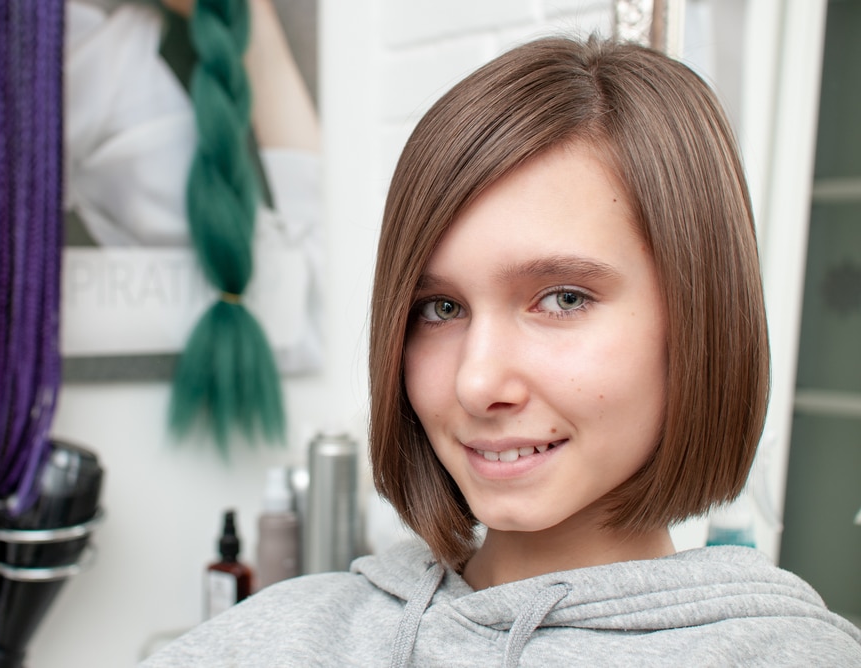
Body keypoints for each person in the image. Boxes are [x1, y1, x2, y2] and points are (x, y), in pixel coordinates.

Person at [140, 36, 861, 666]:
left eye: (564, 298)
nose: (476, 382)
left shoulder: (787, 656)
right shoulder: (286, 637)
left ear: (700, 320)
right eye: (440, 308)